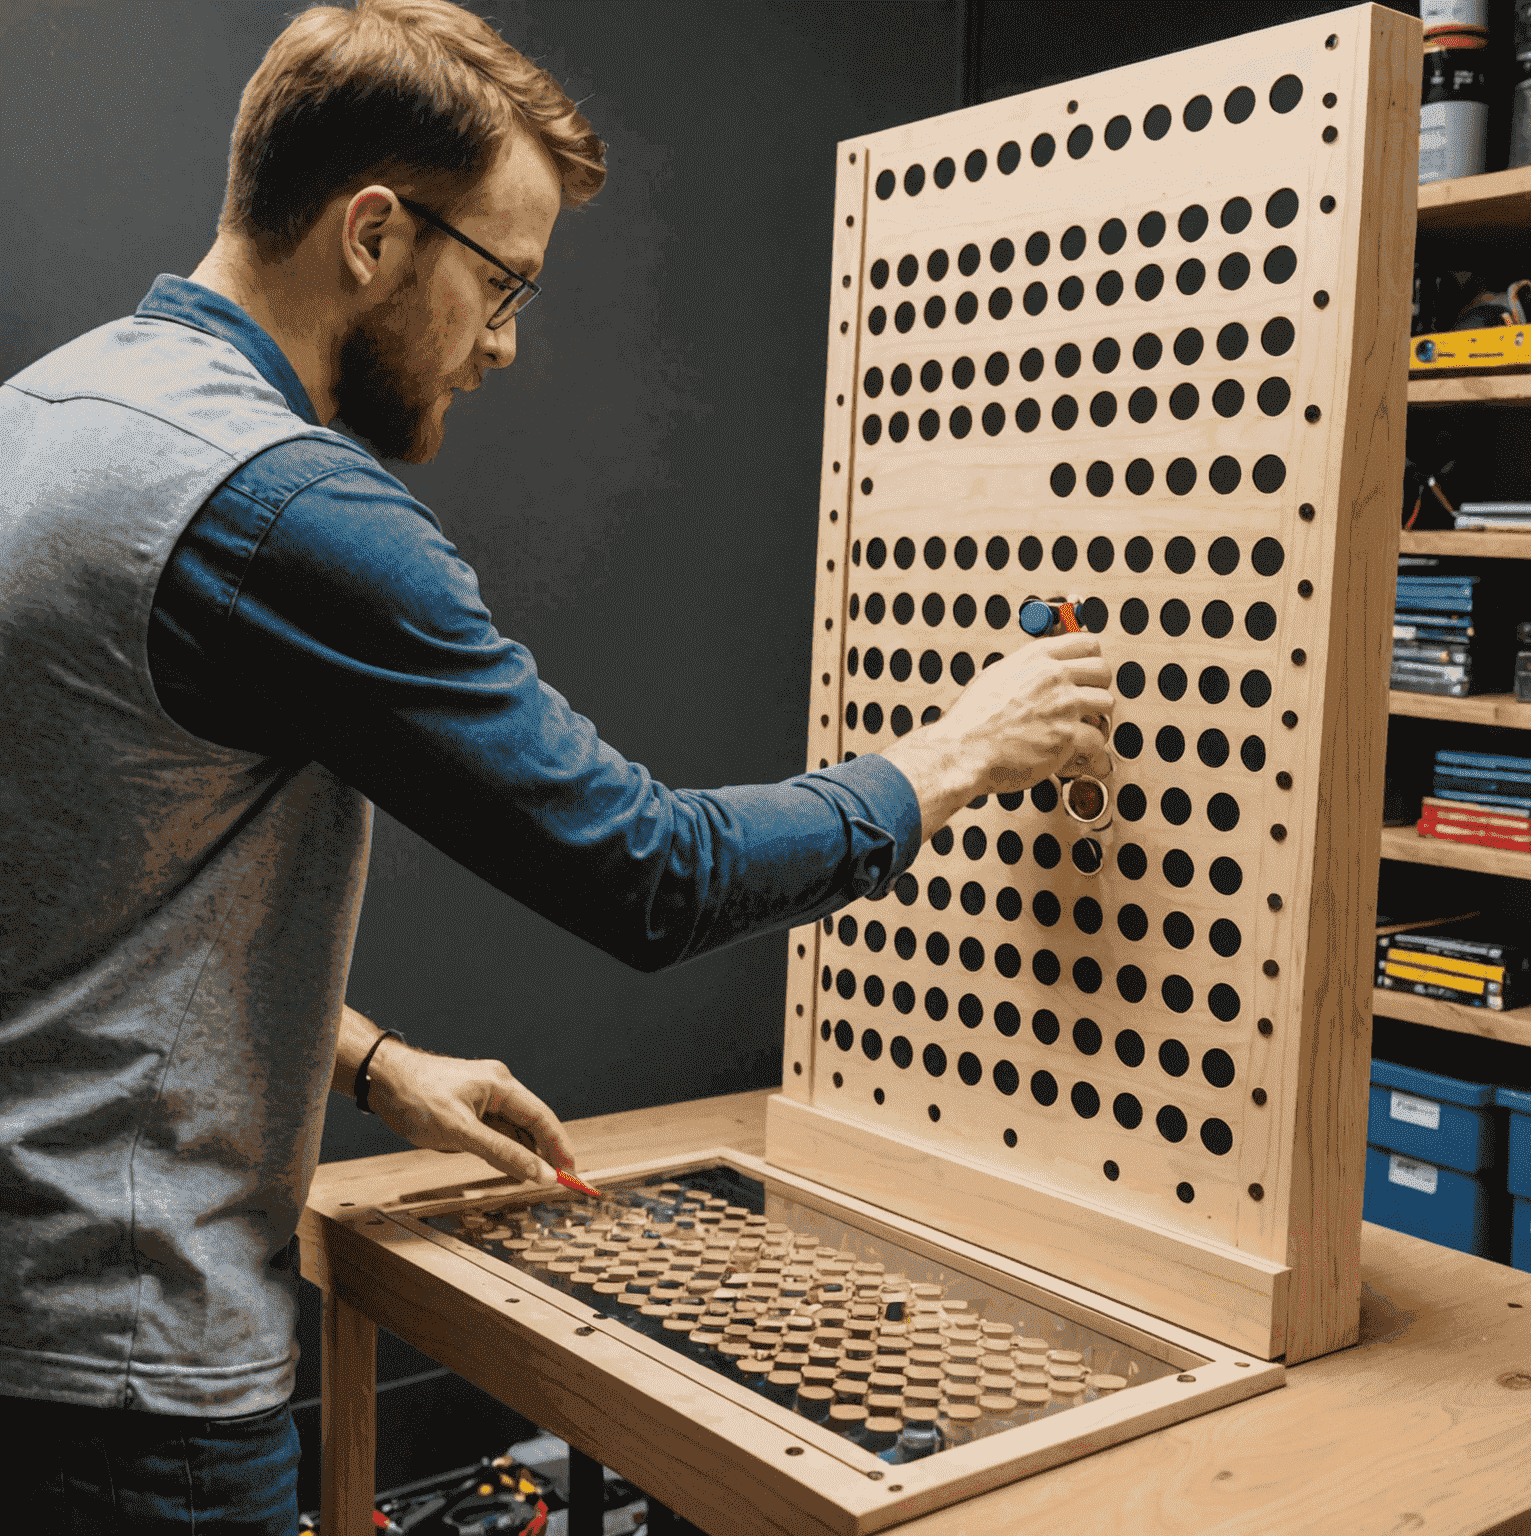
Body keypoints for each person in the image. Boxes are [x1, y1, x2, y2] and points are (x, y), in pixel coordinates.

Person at [0, 0, 1112, 1529]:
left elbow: (79, 883)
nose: (508, 342)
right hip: (130, 1391)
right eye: (504, 280)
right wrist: (950, 757)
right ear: (375, 233)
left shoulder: (48, 417)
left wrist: (375, 1061)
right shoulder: (285, 510)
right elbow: (649, 870)